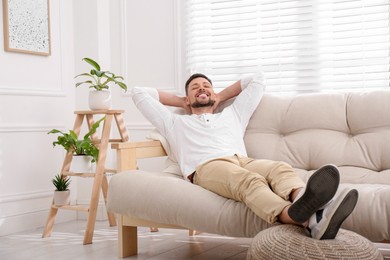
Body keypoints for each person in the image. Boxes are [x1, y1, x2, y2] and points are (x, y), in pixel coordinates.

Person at [131, 72, 358, 240]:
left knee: (278, 168)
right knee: (249, 181)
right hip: (207, 166)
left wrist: (219, 96)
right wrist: (181, 101)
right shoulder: (174, 122)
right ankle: (301, 217)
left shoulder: (233, 114)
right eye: (195, 88)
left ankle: (305, 203)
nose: (202, 88)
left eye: (206, 86)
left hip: (243, 159)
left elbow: (256, 79)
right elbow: (139, 92)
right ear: (187, 99)